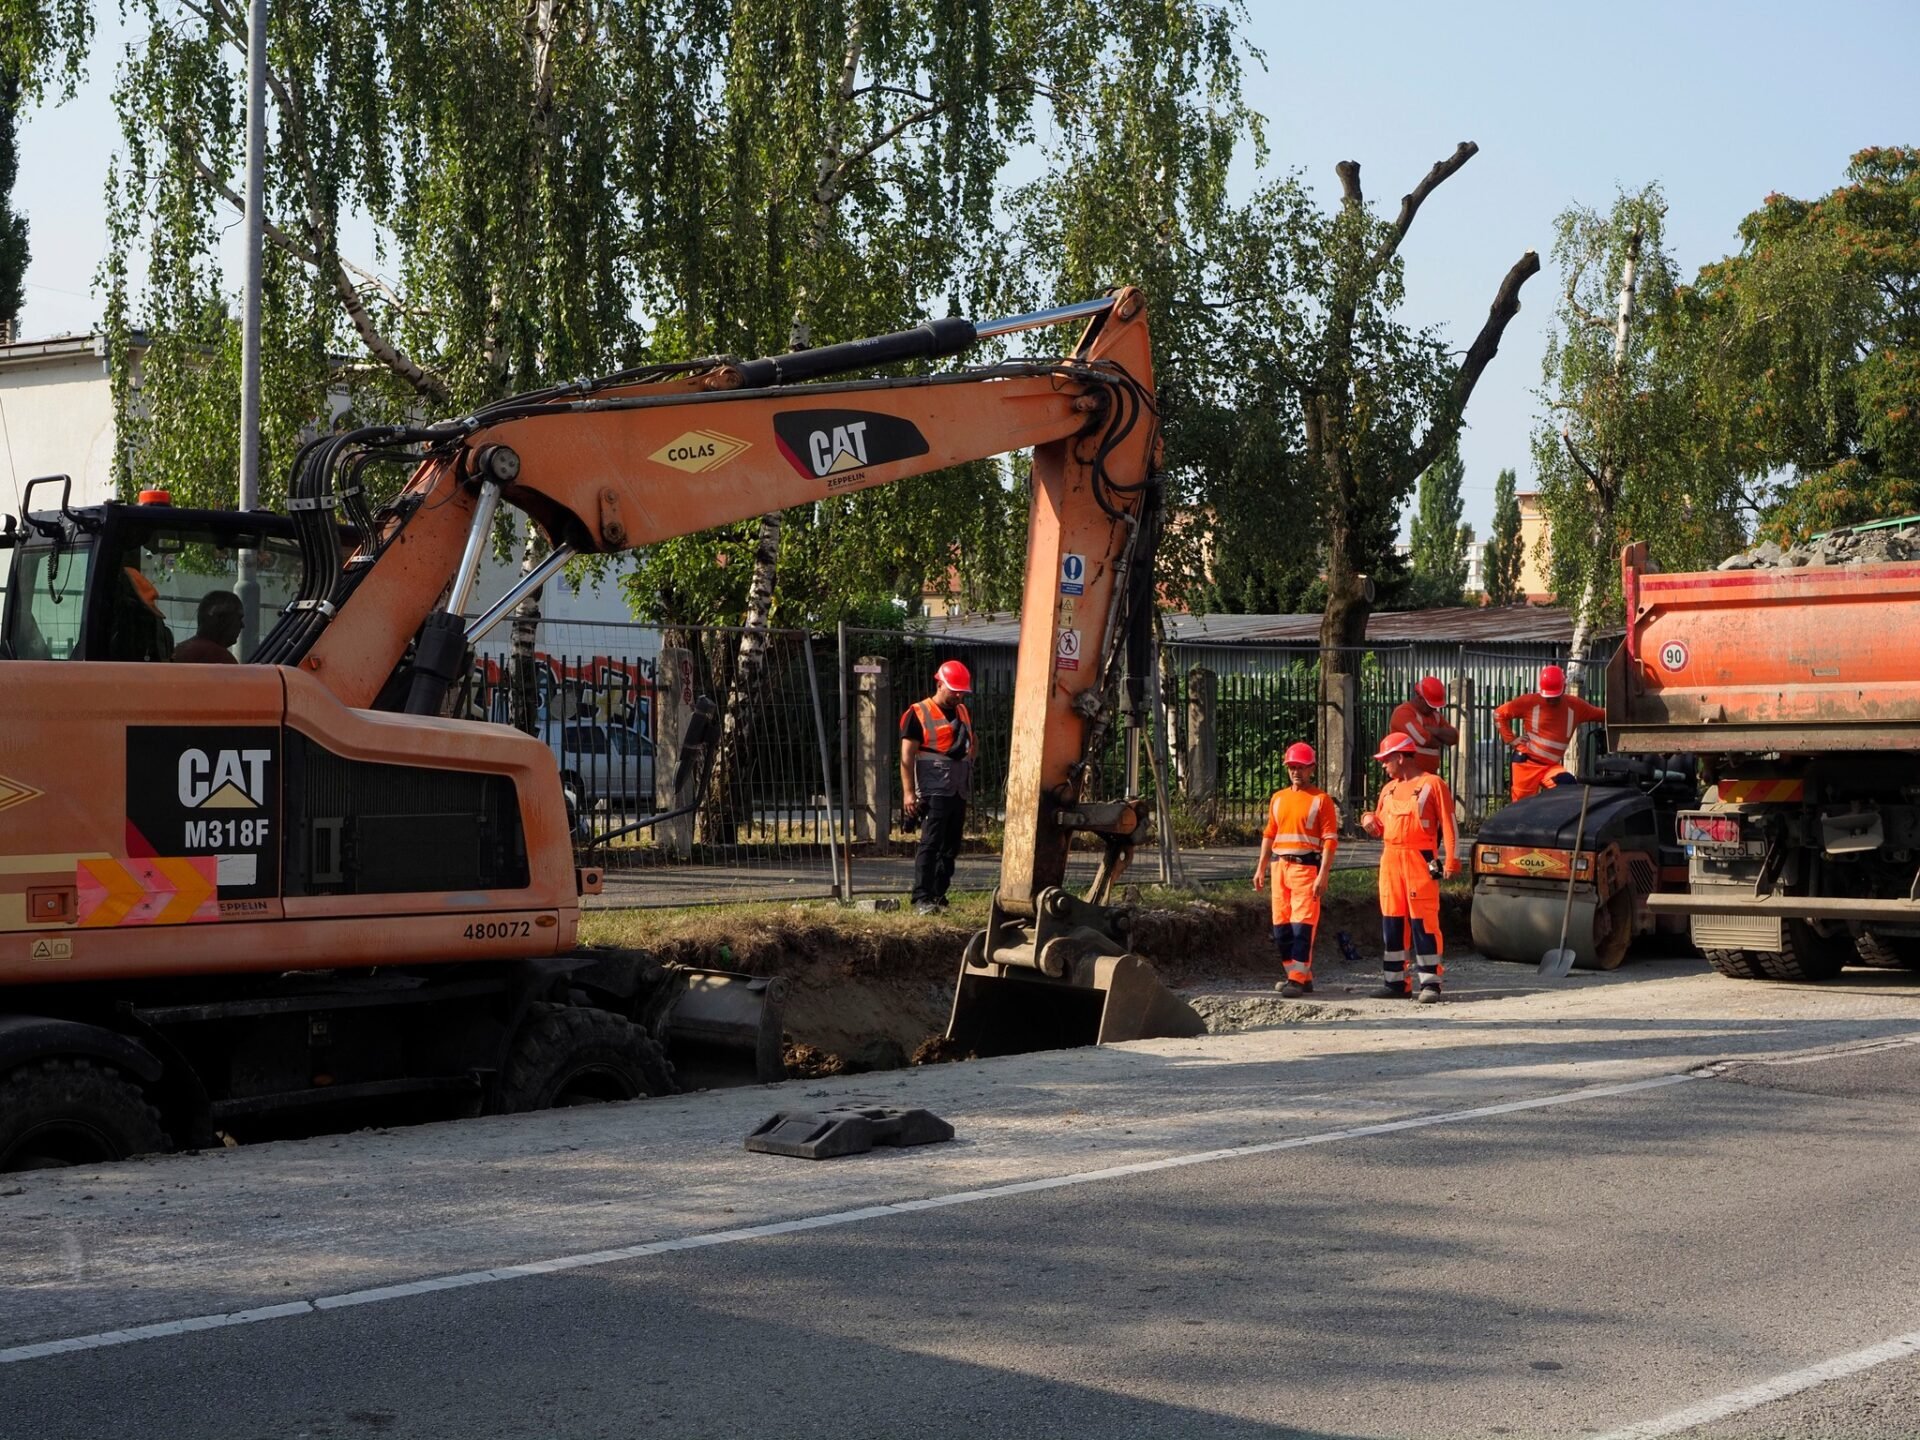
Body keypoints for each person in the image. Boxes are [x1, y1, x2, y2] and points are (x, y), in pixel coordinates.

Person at [1361, 732, 1459, 1004]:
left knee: (1423, 922)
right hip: (1390, 860)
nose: (1383, 765)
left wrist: (1451, 859)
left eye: (1386, 759)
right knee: (1392, 921)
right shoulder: (1389, 789)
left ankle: (1430, 983)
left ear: (1401, 757)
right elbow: (1379, 825)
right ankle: (1395, 983)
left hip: (1420, 859)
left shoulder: (1433, 784)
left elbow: (1449, 824)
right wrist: (1368, 818)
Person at [1252, 741, 1338, 997]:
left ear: (1312, 768)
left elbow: (1330, 839)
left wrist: (1323, 874)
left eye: (1300, 767)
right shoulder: (1278, 798)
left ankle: (1297, 978)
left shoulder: (1321, 800)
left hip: (1305, 869)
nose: (1295, 772)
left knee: (1302, 926)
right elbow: (1269, 834)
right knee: (1281, 927)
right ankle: (1298, 975)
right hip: (1280, 868)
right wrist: (1261, 868)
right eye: (1291, 767)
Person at [901, 659, 975, 914]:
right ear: (939, 683)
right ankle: (921, 898)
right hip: (934, 788)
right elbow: (907, 757)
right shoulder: (918, 712)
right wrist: (909, 793)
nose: (958, 695)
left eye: (961, 691)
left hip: (958, 787)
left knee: (951, 846)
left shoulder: (963, 711)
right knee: (930, 844)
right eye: (954, 689)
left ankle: (938, 895)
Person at [1496, 664, 1604, 801]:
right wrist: (1510, 739)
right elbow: (1499, 714)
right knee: (1521, 808)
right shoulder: (1529, 701)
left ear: (1564, 688)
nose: (1551, 701)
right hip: (1526, 764)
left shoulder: (1575, 706)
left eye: (1555, 697)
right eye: (1548, 697)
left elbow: (1601, 714)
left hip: (1549, 767)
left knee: (1568, 786)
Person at [1387, 675, 1457, 776]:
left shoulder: (1435, 715)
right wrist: (1442, 739)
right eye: (1431, 705)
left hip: (1428, 776)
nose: (1434, 709)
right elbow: (1423, 739)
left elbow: (1454, 737)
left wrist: (1433, 730)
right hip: (1406, 777)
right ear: (1420, 698)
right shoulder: (1403, 713)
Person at [172, 589, 244, 665]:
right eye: (239, 618)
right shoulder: (219, 657)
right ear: (222, 619)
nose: (242, 625)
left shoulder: (180, 650)